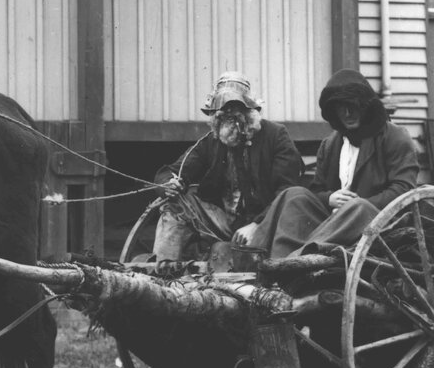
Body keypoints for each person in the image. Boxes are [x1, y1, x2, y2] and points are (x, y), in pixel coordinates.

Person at [235, 69, 419, 258]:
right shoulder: (331, 144)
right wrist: (329, 198)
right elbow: (317, 191)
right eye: (340, 107)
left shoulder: (395, 137)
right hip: (335, 225)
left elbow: (403, 190)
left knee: (358, 208)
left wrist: (355, 205)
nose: (347, 113)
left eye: (353, 106)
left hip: (378, 223)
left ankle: (299, 257)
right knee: (294, 194)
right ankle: (275, 259)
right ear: (333, 111)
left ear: (365, 106)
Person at [152, 72, 303, 261]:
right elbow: (174, 171)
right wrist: (169, 184)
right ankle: (162, 275)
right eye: (223, 111)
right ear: (215, 116)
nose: (229, 114)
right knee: (176, 204)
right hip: (224, 224)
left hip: (266, 223)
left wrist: (258, 224)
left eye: (236, 108)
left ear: (250, 111)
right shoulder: (210, 142)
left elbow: (286, 192)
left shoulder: (276, 135)